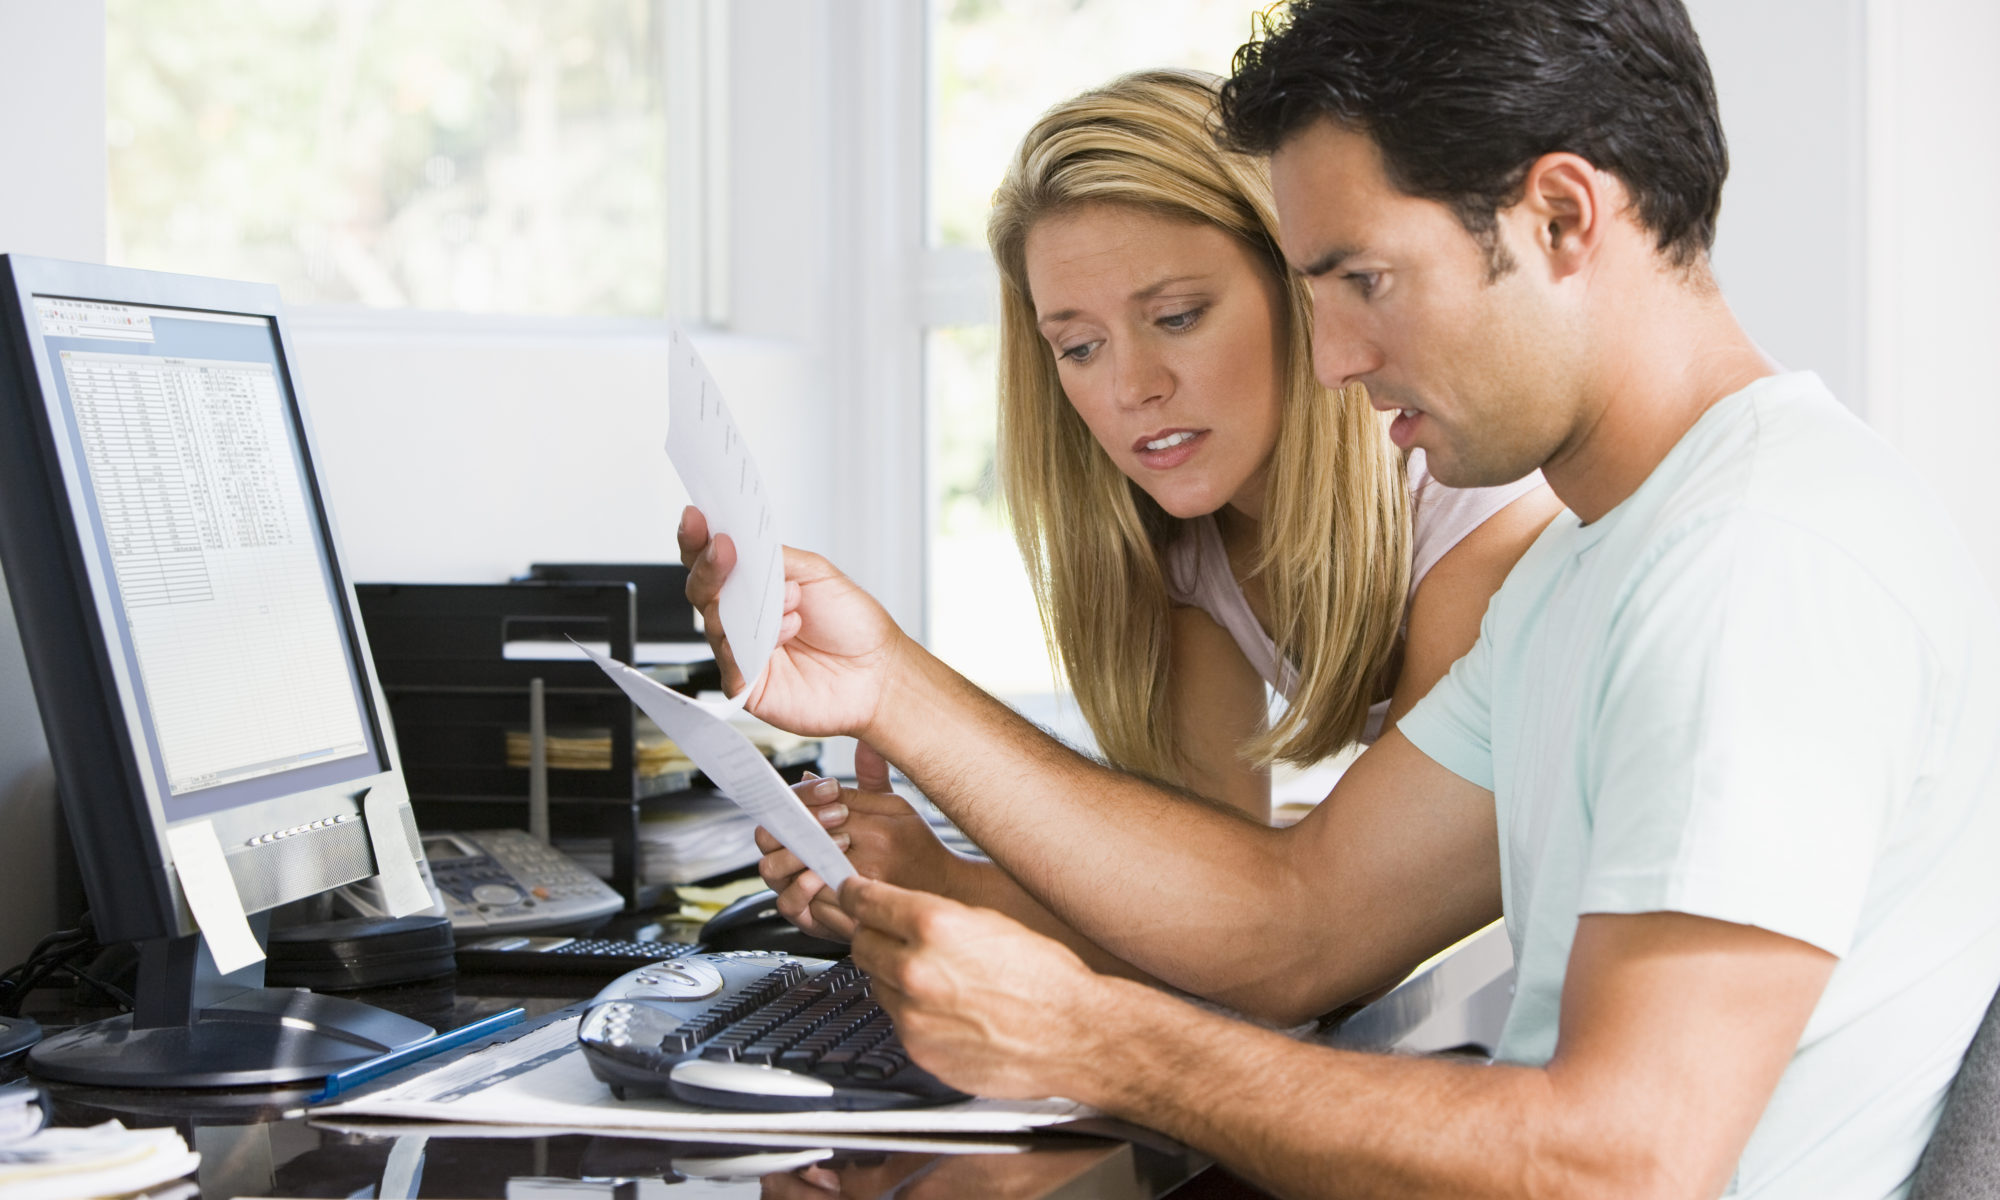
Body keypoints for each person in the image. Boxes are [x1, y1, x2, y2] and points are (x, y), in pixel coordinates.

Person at [681, 0, 2000, 1193]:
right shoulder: (1594, 567)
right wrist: (892, 688)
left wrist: (1103, 1041)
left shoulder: (1759, 562)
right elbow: (1299, 924)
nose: (1335, 361)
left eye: (1363, 281)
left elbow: (1619, 1165)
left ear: (1559, 217)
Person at [769, 69, 1555, 968]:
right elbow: (1211, 928)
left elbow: (1321, 938)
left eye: (1177, 317)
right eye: (1080, 346)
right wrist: (927, 880)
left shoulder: (1474, 512)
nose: (1131, 387)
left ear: (1300, 291)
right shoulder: (1190, 555)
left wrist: (899, 693)